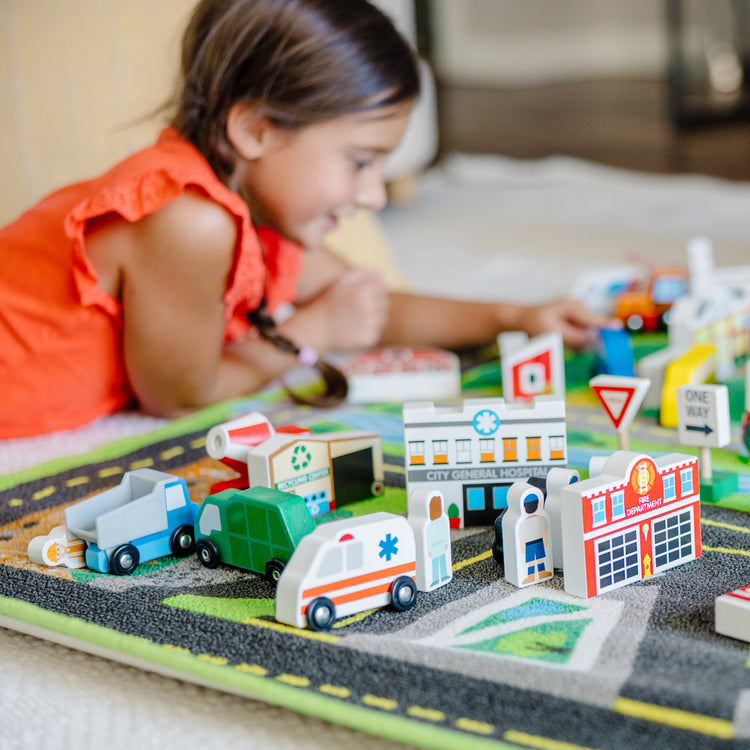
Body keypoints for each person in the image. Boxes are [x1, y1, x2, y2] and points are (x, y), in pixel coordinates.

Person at [0, 0, 609, 439]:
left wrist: (517, 315)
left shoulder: (250, 203)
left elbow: (367, 305)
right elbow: (181, 395)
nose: (372, 195)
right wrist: (307, 337)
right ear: (256, 129)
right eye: (361, 162)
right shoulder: (187, 219)